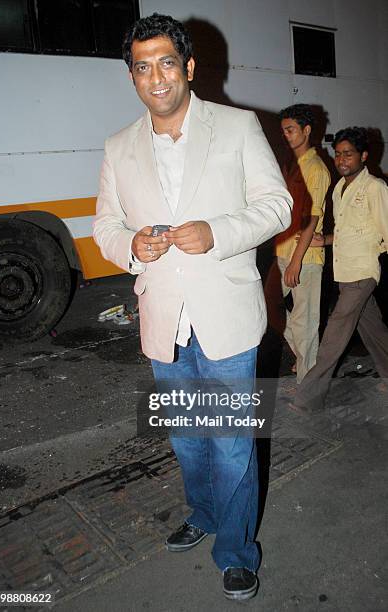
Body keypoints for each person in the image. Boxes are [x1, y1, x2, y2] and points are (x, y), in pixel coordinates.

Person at [93, 13, 292, 600]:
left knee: (231, 444)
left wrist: (220, 232)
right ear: (132, 76)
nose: (156, 77)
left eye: (167, 63)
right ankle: (203, 514)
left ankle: (235, 550)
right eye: (143, 66)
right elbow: (104, 224)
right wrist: (130, 244)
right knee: (186, 436)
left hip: (227, 318)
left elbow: (278, 206)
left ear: (189, 68)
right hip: (165, 324)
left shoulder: (236, 127)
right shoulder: (118, 146)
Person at [293, 126, 388, 413]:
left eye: (348, 154)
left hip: (362, 272)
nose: (342, 160)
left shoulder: (375, 188)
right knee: (372, 329)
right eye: (338, 154)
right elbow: (350, 230)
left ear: (364, 156)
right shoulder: (339, 188)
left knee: (334, 334)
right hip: (343, 271)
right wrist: (326, 240)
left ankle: (308, 398)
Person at [265, 104, 330, 383]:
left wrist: (296, 261)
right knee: (267, 306)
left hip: (303, 258)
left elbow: (311, 219)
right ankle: (305, 361)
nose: (287, 136)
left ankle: (308, 384)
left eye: (291, 130)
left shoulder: (316, 169)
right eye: (284, 131)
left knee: (305, 323)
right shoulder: (293, 165)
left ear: (306, 130)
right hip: (283, 251)